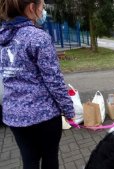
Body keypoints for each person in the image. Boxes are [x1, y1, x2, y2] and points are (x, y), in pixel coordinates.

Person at [0, 0, 75, 169]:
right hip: (43, 116)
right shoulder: (38, 37)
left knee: (29, 160)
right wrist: (70, 110)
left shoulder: (3, 37)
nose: (43, 11)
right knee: (49, 158)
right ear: (32, 8)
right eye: (42, 6)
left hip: (14, 116)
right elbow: (54, 81)